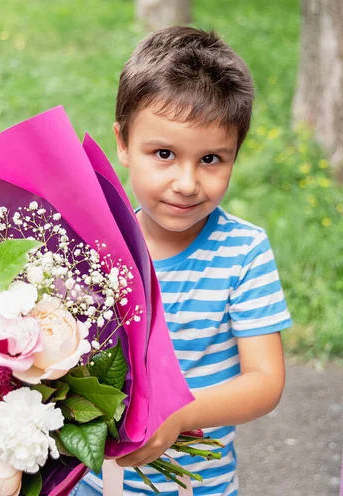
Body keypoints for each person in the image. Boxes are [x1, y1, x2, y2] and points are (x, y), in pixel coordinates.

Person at [72, 26, 292, 495]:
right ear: (124, 144)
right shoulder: (96, 244)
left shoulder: (242, 254)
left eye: (211, 158)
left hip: (199, 487)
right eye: (165, 154)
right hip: (92, 483)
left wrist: (178, 414)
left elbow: (265, 381)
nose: (188, 183)